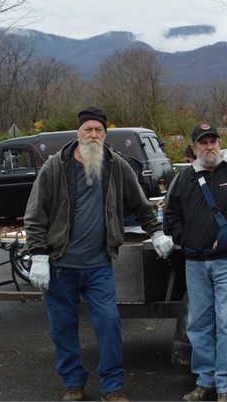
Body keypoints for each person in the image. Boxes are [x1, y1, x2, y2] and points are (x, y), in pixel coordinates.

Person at [24, 106, 175, 402]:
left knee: (108, 323)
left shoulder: (115, 165)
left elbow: (141, 204)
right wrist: (38, 254)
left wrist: (156, 232)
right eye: (88, 130)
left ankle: (112, 386)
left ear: (105, 135)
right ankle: (73, 383)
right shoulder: (55, 167)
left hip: (98, 267)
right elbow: (35, 214)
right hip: (59, 266)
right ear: (78, 133)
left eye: (99, 130)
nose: (93, 135)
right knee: (62, 328)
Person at [164, 123, 227, 402]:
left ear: (219, 143)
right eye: (202, 143)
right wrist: (188, 239)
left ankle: (226, 387)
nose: (209, 147)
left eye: (213, 141)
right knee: (198, 325)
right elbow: (171, 216)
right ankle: (204, 382)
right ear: (194, 148)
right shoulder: (185, 178)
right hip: (194, 263)